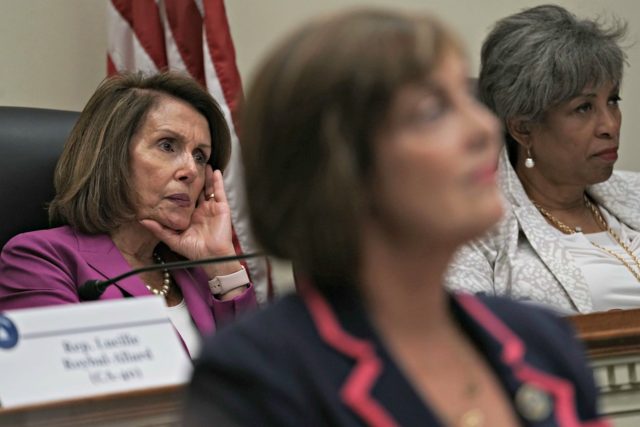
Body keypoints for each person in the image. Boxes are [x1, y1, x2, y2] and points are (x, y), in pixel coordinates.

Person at [184, 9, 607, 426]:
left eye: (468, 100)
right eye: (434, 111)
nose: (484, 128)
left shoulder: (541, 339)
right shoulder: (261, 374)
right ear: (339, 165)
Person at [0, 72, 257, 357]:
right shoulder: (41, 259)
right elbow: (61, 388)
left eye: (200, 156)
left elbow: (263, 377)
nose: (191, 171)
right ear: (111, 155)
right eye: (167, 145)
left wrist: (221, 263)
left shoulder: (198, 272)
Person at [445, 4, 635, 315]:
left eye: (612, 100)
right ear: (523, 128)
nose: (611, 125)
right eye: (584, 108)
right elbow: (469, 339)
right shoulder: (476, 228)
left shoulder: (635, 194)